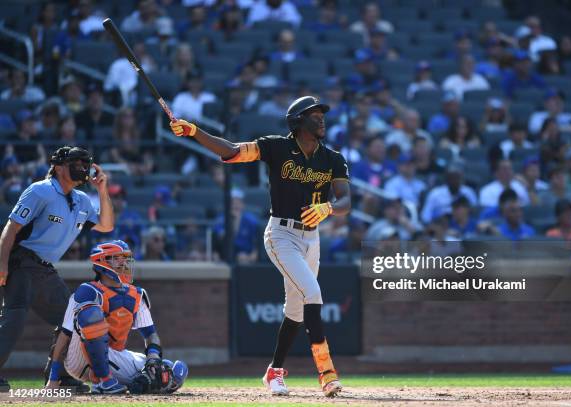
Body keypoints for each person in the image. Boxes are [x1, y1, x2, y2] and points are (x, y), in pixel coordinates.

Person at [170, 95, 350, 397]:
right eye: (314, 115)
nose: (321, 119)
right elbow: (231, 151)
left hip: (312, 237)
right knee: (313, 293)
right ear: (297, 121)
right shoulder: (276, 147)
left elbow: (346, 200)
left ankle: (274, 372)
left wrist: (329, 208)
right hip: (281, 235)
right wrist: (194, 132)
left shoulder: (332, 158)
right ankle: (327, 373)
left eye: (322, 114)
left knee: (295, 310)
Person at [0, 146, 113, 392]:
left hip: (45, 269)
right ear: (59, 166)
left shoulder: (82, 199)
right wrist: (2, 265)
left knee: (72, 318)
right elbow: (11, 229)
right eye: (77, 162)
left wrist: (102, 190)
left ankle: (59, 376)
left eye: (86, 164)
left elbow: (106, 225)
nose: (83, 168)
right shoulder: (40, 190)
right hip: (22, 262)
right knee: (14, 318)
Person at [44, 240, 188, 394]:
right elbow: (64, 335)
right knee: (90, 314)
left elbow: (151, 335)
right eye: (117, 257)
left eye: (125, 257)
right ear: (101, 261)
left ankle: (140, 384)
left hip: (114, 355)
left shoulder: (137, 294)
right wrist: (53, 379)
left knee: (169, 371)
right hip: (79, 359)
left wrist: (153, 360)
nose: (124, 262)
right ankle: (104, 382)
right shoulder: (88, 290)